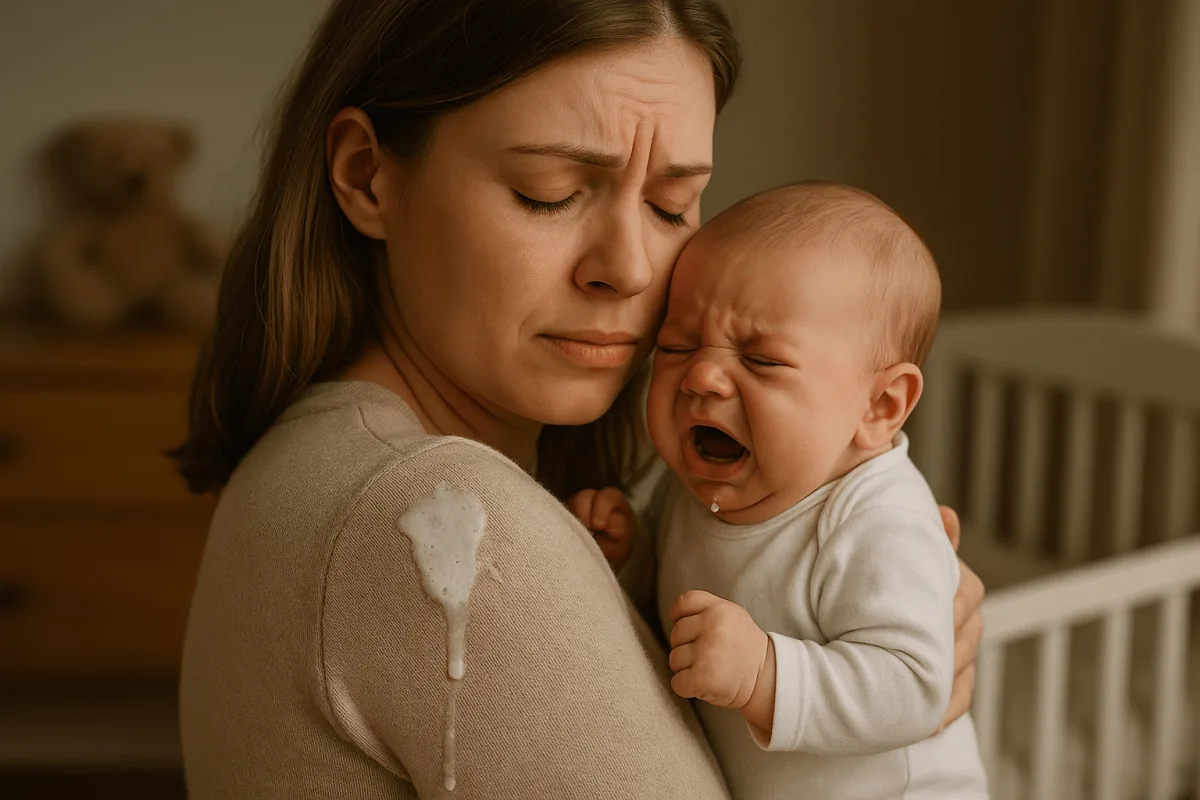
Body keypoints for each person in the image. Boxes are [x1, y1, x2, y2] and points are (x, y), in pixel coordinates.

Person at [172, 1, 985, 797]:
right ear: (366, 175)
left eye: (671, 205)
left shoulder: (318, 452)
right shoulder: (446, 528)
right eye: (548, 191)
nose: (629, 268)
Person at [572, 182, 989, 798]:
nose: (702, 377)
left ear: (879, 405)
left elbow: (915, 686)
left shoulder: (877, 519)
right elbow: (672, 604)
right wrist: (631, 553)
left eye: (761, 360)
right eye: (677, 346)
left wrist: (766, 673)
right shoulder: (689, 487)